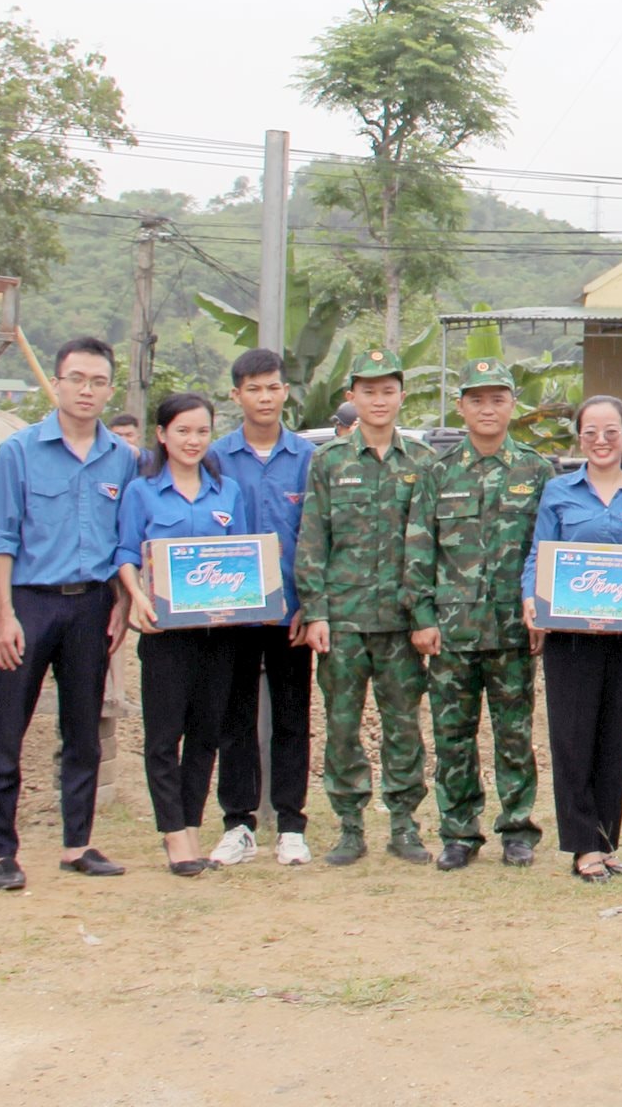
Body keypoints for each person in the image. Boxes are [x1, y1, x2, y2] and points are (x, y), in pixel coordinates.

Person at [0, 335, 135, 889]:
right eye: (77, 379)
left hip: (91, 608)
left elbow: (126, 543)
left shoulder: (123, 457)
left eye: (97, 381)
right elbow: (0, 537)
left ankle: (77, 845)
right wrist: (5, 613)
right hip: (30, 604)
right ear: (58, 381)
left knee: (83, 732)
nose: (87, 390)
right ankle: (1, 852)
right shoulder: (21, 451)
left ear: (109, 388)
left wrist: (120, 604)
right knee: (7, 728)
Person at [407, 356, 552, 871]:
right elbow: (419, 550)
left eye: (497, 399)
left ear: (514, 404)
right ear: (461, 407)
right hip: (452, 631)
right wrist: (422, 617)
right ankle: (459, 832)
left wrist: (545, 616)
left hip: (515, 630)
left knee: (514, 736)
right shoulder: (437, 472)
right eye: (476, 400)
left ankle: (518, 829)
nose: (487, 409)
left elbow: (547, 548)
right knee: (453, 739)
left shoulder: (536, 470)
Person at [298, 349, 433, 866]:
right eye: (368, 391)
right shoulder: (329, 461)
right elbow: (313, 539)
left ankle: (404, 825)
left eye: (388, 390)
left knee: (403, 726)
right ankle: (350, 827)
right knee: (342, 725)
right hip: (344, 623)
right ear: (351, 396)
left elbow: (430, 545)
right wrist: (316, 612)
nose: (379, 400)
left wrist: (425, 617)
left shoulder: (421, 462)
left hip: (401, 624)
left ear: (402, 396)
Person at [521, 396, 622, 883]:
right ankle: (581, 848)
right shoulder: (559, 492)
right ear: (578, 438)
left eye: (611, 431)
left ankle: (607, 842)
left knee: (615, 741)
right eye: (590, 432)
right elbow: (539, 553)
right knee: (573, 739)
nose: (601, 441)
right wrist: (529, 598)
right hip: (571, 639)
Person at [114, 393, 249, 876]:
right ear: (162, 434)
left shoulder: (227, 492)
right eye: (183, 431)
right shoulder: (142, 493)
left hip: (220, 635)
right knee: (164, 736)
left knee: (206, 735)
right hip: (167, 635)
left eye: (201, 432)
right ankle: (174, 838)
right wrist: (138, 597)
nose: (192, 441)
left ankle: (191, 828)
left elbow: (244, 556)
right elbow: (127, 552)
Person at [206, 346, 318, 868]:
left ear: (286, 391)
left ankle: (291, 825)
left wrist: (311, 605)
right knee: (236, 718)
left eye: (273, 386)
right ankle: (238, 823)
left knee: (293, 718)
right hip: (231, 613)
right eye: (253, 388)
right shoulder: (215, 457)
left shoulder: (307, 458)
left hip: (291, 614)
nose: (265, 396)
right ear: (236, 396)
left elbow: (319, 537)